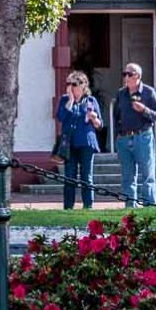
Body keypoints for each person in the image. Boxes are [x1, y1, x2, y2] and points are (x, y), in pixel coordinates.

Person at [111, 64, 156, 208]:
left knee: (147, 174)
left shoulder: (148, 92)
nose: (126, 77)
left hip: (143, 137)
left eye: (129, 74)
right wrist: (118, 136)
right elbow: (116, 116)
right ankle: (130, 206)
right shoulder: (121, 94)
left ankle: (150, 205)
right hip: (124, 138)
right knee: (128, 175)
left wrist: (144, 110)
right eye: (124, 74)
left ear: (138, 76)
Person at [55, 72, 103, 210]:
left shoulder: (91, 101)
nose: (70, 87)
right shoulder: (65, 100)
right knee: (69, 175)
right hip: (69, 144)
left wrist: (93, 118)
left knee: (86, 175)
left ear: (83, 85)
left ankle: (88, 205)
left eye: (74, 84)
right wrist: (70, 101)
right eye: (68, 84)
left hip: (86, 142)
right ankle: (68, 206)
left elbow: (100, 124)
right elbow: (60, 117)